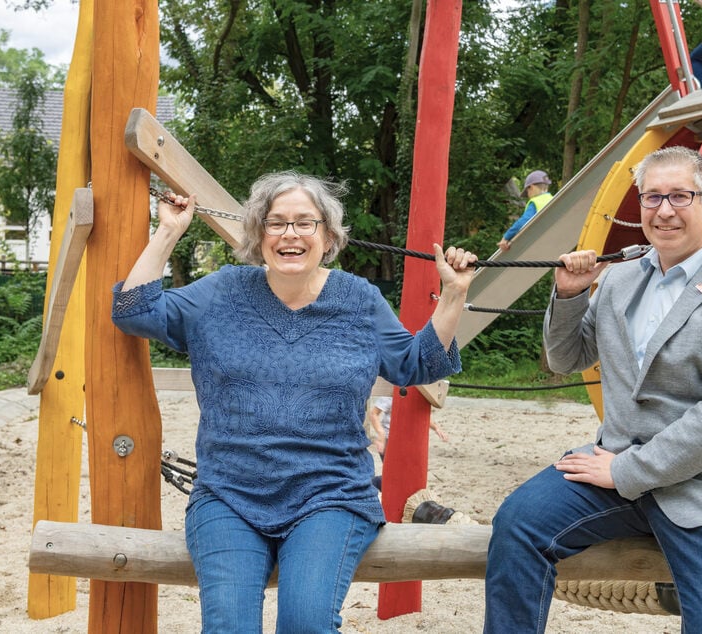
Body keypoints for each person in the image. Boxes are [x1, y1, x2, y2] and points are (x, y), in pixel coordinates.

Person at [112, 171, 477, 632]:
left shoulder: (359, 301)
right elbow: (134, 312)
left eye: (305, 223)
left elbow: (416, 365)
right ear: (258, 234)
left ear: (328, 235)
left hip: (329, 495)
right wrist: (168, 230)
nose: (290, 234)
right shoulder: (222, 292)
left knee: (306, 623)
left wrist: (454, 295)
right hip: (230, 494)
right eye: (276, 222)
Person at [483, 146, 702, 633]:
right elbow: (566, 359)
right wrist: (569, 293)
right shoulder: (620, 278)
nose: (664, 210)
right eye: (652, 197)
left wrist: (626, 470)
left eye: (679, 196)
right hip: (615, 471)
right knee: (518, 524)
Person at [368, 394, 448, 491]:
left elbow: (420, 414)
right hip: (389, 440)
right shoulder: (391, 394)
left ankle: (372, 485)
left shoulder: (415, 394)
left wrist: (436, 428)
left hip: (406, 441)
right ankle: (372, 485)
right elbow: (374, 413)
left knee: (402, 476)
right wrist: (381, 434)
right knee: (394, 476)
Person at [497, 170, 553, 252]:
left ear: (531, 187)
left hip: (537, 242)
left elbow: (523, 221)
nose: (528, 196)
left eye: (527, 192)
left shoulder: (535, 202)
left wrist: (506, 237)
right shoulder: (552, 199)